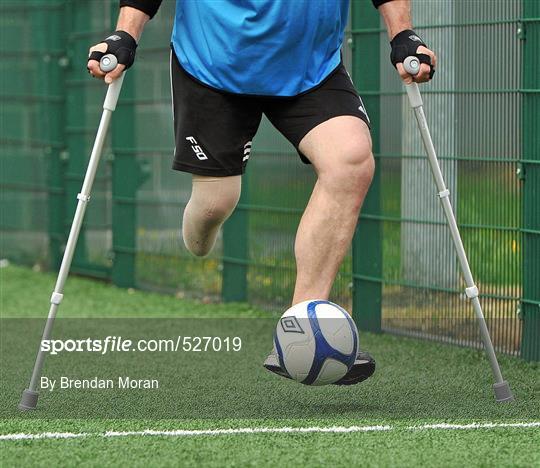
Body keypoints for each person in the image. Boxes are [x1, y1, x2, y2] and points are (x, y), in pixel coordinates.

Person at [88, 0, 436, 385]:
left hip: (310, 66)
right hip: (215, 64)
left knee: (351, 161)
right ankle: (199, 236)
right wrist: (125, 33)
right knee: (214, 204)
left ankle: (301, 330)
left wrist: (403, 34)